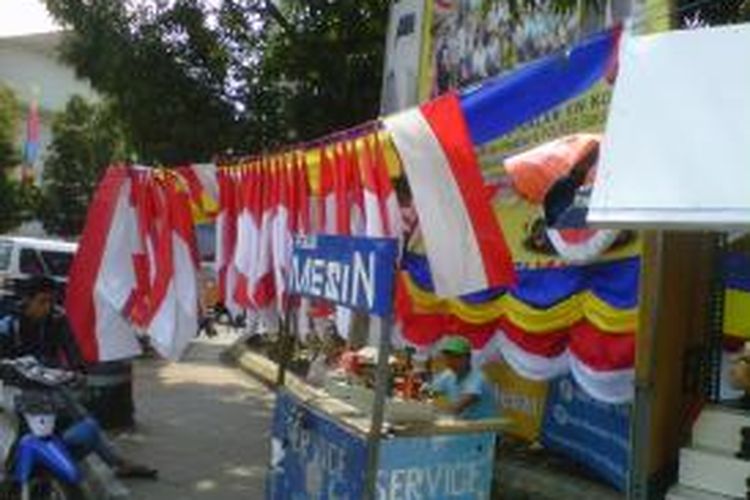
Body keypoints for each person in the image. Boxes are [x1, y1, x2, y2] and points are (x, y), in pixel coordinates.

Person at [0, 275, 157, 480]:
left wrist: (79, 373)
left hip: (50, 383)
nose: (47, 307)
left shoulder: (58, 318)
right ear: (26, 300)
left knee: (84, 419)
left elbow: (72, 351)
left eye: (51, 301)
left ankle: (118, 463)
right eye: (42, 301)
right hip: (14, 386)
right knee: (15, 430)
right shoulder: (8, 324)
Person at [427, 335, 496, 420]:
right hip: (458, 428)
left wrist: (430, 411)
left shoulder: (477, 378)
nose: (451, 361)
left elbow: (457, 408)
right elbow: (428, 394)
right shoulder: (448, 375)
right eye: (448, 357)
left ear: (468, 357)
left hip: (479, 430)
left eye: (457, 357)